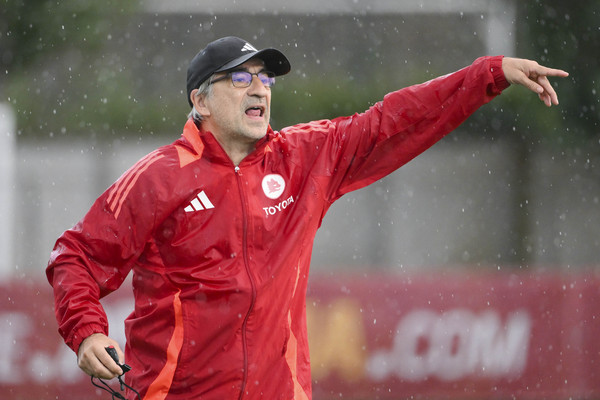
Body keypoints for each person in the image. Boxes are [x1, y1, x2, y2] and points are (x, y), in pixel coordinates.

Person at [46, 35, 568, 400]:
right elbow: (77, 255)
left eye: (266, 79)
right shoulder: (158, 177)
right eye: (240, 78)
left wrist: (488, 74)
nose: (259, 88)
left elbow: (392, 121)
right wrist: (88, 332)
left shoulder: (304, 157)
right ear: (199, 100)